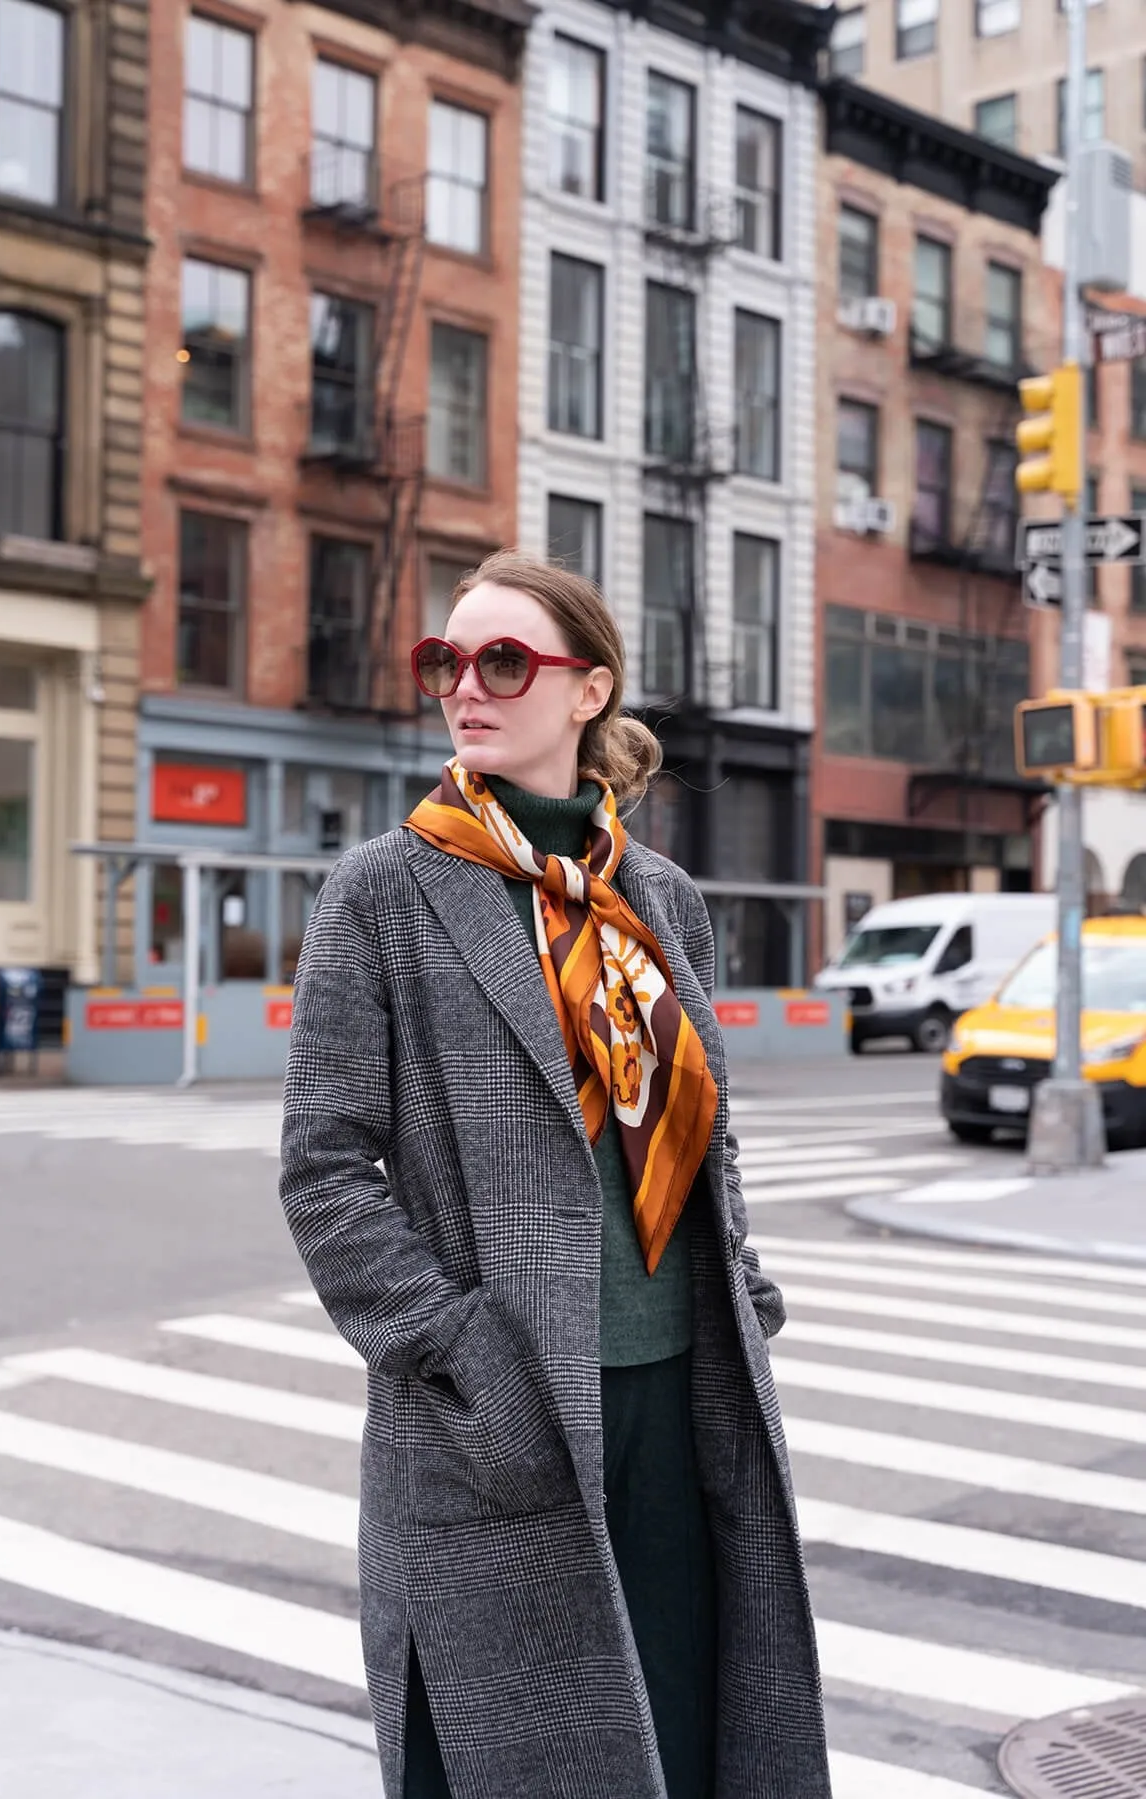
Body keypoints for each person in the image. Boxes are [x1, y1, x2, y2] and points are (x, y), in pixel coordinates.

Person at [279, 550, 830, 1799]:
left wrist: (741, 1278)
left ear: (589, 690)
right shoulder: (384, 889)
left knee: (685, 1736)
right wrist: (457, 1347)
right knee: (506, 1754)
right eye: (446, 662)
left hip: (683, 1389)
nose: (465, 686)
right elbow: (325, 1169)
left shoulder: (662, 898)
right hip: (504, 1402)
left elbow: (702, 1123)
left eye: (504, 660)